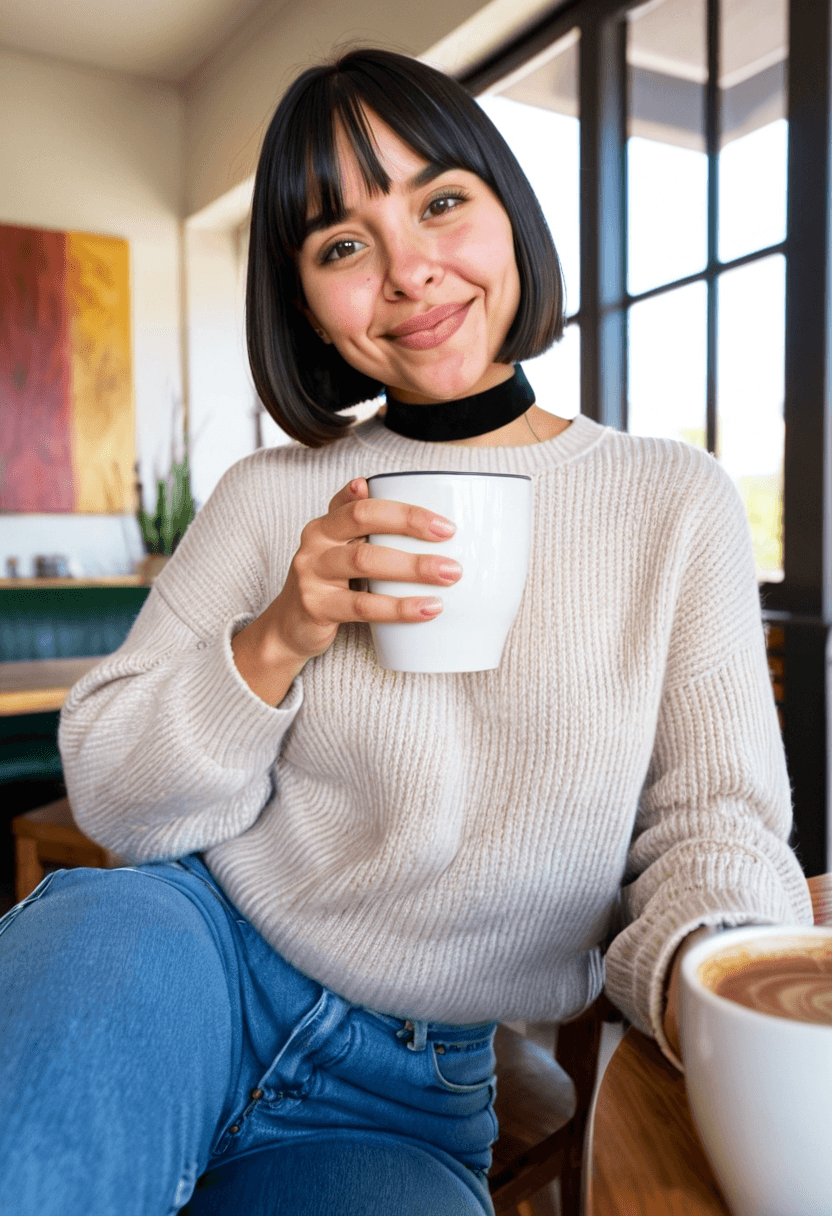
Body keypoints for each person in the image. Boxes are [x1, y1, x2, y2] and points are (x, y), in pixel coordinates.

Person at [0, 46, 813, 1216]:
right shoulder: (267, 493)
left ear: (506, 215)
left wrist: (709, 970)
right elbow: (118, 796)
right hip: (180, 953)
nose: (408, 270)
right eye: (342, 244)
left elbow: (714, 820)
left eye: (439, 201)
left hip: (410, 1086)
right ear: (305, 304)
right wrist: (279, 632)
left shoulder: (669, 501)